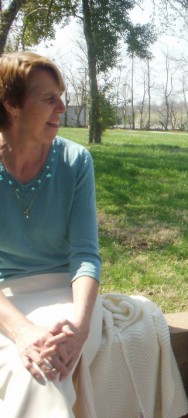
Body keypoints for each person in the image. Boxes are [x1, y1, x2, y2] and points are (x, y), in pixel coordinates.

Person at [0, 52, 103, 417]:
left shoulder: (75, 160)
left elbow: (86, 255)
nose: (63, 106)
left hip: (67, 293)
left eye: (62, 95)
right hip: (6, 302)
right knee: (32, 369)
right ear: (11, 104)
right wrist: (22, 332)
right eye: (49, 98)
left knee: (46, 365)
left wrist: (80, 325)